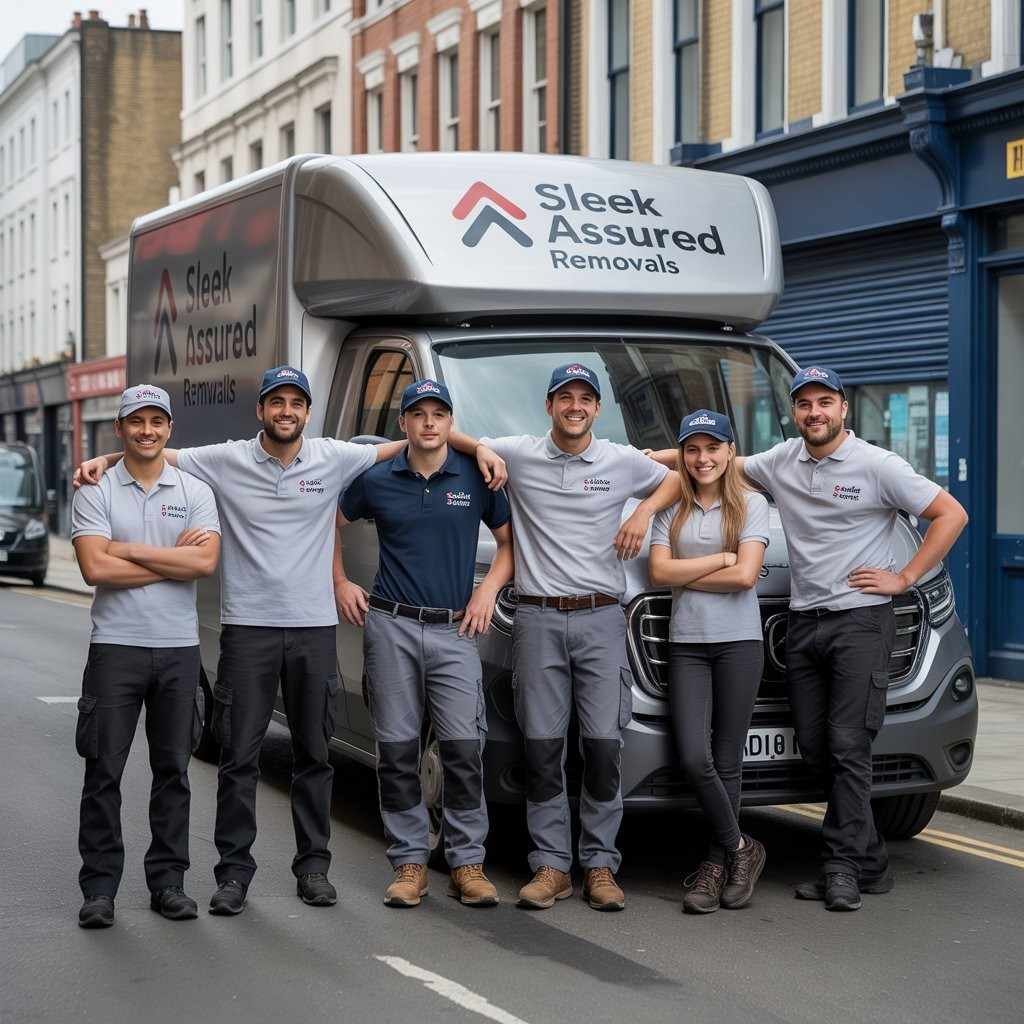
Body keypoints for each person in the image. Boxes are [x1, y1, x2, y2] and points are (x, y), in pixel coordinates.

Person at [74, 365, 507, 917]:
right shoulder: (226, 459)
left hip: (313, 630)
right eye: (275, 402)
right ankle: (233, 875)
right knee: (239, 759)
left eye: (295, 404)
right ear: (261, 411)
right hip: (247, 631)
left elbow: (416, 435)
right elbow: (155, 452)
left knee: (314, 755)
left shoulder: (334, 457)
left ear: (306, 412)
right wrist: (105, 460)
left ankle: (313, 869)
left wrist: (481, 447)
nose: (285, 412)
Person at [649, 366, 968, 911]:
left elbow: (949, 513)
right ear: (794, 413)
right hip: (803, 623)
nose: (814, 412)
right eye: (804, 404)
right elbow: (711, 462)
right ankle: (870, 860)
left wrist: (904, 577)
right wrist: (637, 468)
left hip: (861, 621)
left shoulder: (877, 464)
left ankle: (840, 867)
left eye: (824, 402)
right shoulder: (782, 460)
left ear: (843, 408)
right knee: (818, 748)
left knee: (847, 745)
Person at [470, 362, 680, 911]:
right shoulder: (519, 453)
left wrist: (644, 514)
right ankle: (550, 867)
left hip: (602, 619)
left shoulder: (619, 461)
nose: (576, 406)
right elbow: (444, 433)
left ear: (597, 408)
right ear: (550, 406)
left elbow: (678, 478)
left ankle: (601, 867)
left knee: (604, 747)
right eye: (565, 397)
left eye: (585, 397)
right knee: (542, 749)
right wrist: (483, 451)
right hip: (537, 619)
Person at [334, 379, 514, 908]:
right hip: (390, 625)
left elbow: (508, 545)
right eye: (419, 413)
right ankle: (410, 863)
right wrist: (341, 581)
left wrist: (487, 592)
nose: (429, 422)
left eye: (439, 413)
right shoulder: (378, 476)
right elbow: (325, 520)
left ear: (450, 422)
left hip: (454, 628)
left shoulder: (478, 476)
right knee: (397, 748)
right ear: (404, 423)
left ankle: (468, 864)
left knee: (463, 748)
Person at [71, 385, 221, 928]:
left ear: (169, 428)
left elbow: (204, 564)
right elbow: (95, 570)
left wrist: (128, 549)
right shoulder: (95, 488)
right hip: (115, 648)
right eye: (137, 421)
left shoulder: (196, 489)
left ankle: (169, 884)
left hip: (179, 651)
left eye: (157, 421)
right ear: (120, 428)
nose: (147, 430)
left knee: (173, 771)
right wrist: (172, 559)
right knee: (103, 771)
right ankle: (99, 889)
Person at [648, 410, 769, 914]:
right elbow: (657, 572)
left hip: (739, 642)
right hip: (688, 644)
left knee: (727, 760)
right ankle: (744, 848)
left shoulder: (753, 505)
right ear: (682, 454)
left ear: (729, 451)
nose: (703, 459)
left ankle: (716, 863)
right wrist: (721, 559)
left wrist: (686, 573)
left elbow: (747, 578)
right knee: (694, 757)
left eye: (712, 448)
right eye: (692, 450)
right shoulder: (668, 508)